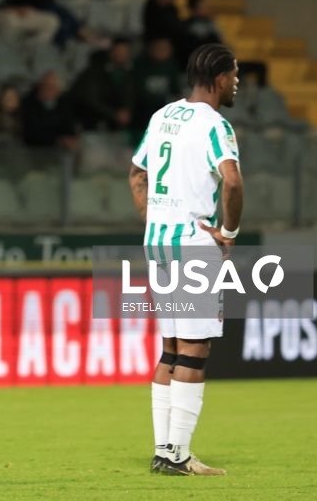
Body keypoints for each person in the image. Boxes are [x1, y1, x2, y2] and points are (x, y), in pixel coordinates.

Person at [128, 43, 243, 476]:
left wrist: (154, 217)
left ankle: (165, 450)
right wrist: (229, 234)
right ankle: (176, 455)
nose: (237, 82)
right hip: (194, 244)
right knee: (195, 350)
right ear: (217, 79)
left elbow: (137, 172)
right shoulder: (216, 125)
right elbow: (231, 182)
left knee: (171, 349)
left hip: (157, 242)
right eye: (234, 75)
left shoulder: (163, 116)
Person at [71, 38, 133, 132]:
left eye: (124, 52)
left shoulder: (128, 73)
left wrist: (126, 111)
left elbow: (130, 96)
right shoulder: (95, 70)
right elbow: (90, 99)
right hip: (91, 123)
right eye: (118, 51)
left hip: (117, 126)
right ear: (111, 51)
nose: (121, 54)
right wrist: (114, 114)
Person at [21, 70, 78, 151]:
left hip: (59, 150)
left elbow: (68, 127)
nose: (48, 90)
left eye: (52, 87)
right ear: (40, 87)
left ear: (59, 90)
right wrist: (58, 140)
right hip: (34, 150)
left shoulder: (64, 103)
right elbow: (31, 134)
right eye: (46, 86)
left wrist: (69, 139)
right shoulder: (28, 103)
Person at [177, 0, 222, 69]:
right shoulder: (186, 26)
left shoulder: (211, 24)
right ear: (195, 7)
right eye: (204, 5)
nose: (208, 7)